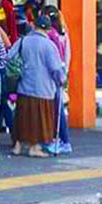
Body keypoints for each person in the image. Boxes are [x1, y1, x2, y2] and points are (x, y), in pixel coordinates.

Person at [9, 14, 65, 158]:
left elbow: (9, 56)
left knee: (22, 118)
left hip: (24, 86)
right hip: (43, 89)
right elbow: (55, 68)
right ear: (48, 29)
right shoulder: (49, 45)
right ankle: (35, 147)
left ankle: (17, 145)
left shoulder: (23, 41)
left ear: (34, 25)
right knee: (39, 120)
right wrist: (61, 80)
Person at [43, 5, 72, 153]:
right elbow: (68, 54)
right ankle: (62, 139)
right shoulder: (63, 33)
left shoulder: (49, 35)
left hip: (51, 73)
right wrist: (65, 70)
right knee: (58, 106)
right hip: (61, 70)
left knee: (56, 108)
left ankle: (62, 140)